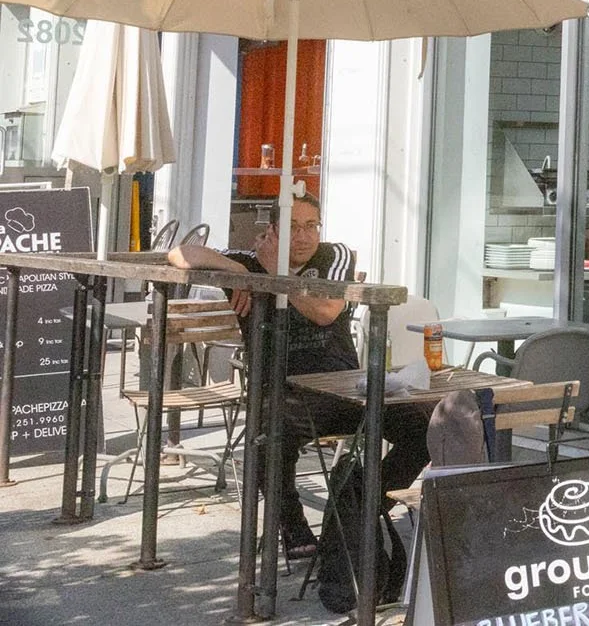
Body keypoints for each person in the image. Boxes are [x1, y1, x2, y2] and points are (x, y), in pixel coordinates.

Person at [168, 195, 429, 560]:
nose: (305, 236)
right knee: (267, 437)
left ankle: (361, 506)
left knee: (422, 428)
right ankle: (292, 523)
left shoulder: (333, 255)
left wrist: (277, 276)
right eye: (293, 227)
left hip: (343, 388)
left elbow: (326, 311)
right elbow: (180, 254)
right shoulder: (247, 262)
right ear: (271, 230)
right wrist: (242, 274)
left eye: (311, 225)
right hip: (283, 390)